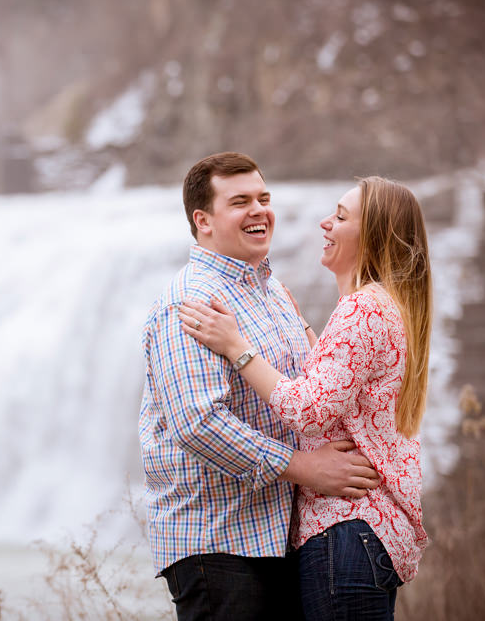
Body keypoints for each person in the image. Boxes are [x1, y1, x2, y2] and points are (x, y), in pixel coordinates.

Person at [140, 152, 381, 621]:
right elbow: (198, 424)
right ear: (203, 220)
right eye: (240, 202)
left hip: (279, 538)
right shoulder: (190, 302)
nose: (259, 210)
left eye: (264, 198)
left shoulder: (271, 292)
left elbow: (308, 393)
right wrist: (305, 468)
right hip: (220, 543)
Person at [178, 176, 431, 619]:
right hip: (369, 534)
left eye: (340, 216)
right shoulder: (385, 305)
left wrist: (236, 347)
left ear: (371, 236)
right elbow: (343, 393)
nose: (325, 223)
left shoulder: (362, 308)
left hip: (345, 529)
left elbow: (309, 411)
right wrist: (307, 329)